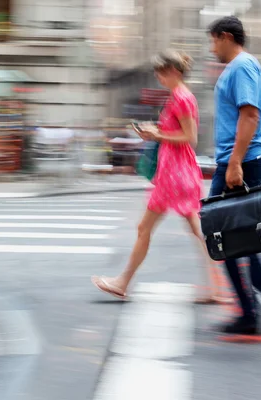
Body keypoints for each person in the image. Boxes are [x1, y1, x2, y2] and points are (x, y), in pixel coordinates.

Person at [92, 50, 228, 304]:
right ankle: (218, 288)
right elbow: (177, 133)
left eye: (160, 72)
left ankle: (122, 282)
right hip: (176, 172)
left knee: (147, 228)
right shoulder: (179, 97)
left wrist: (157, 135)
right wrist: (154, 131)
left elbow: (190, 137)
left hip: (175, 174)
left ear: (174, 71)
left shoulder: (182, 98)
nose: (157, 77)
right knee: (198, 231)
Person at [207, 16, 261, 334]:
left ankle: (254, 309)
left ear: (225, 36)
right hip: (242, 161)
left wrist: (235, 163)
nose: (212, 49)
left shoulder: (241, 67)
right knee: (241, 239)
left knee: (225, 237)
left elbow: (250, 114)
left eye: (213, 41)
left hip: (241, 163)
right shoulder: (247, 66)